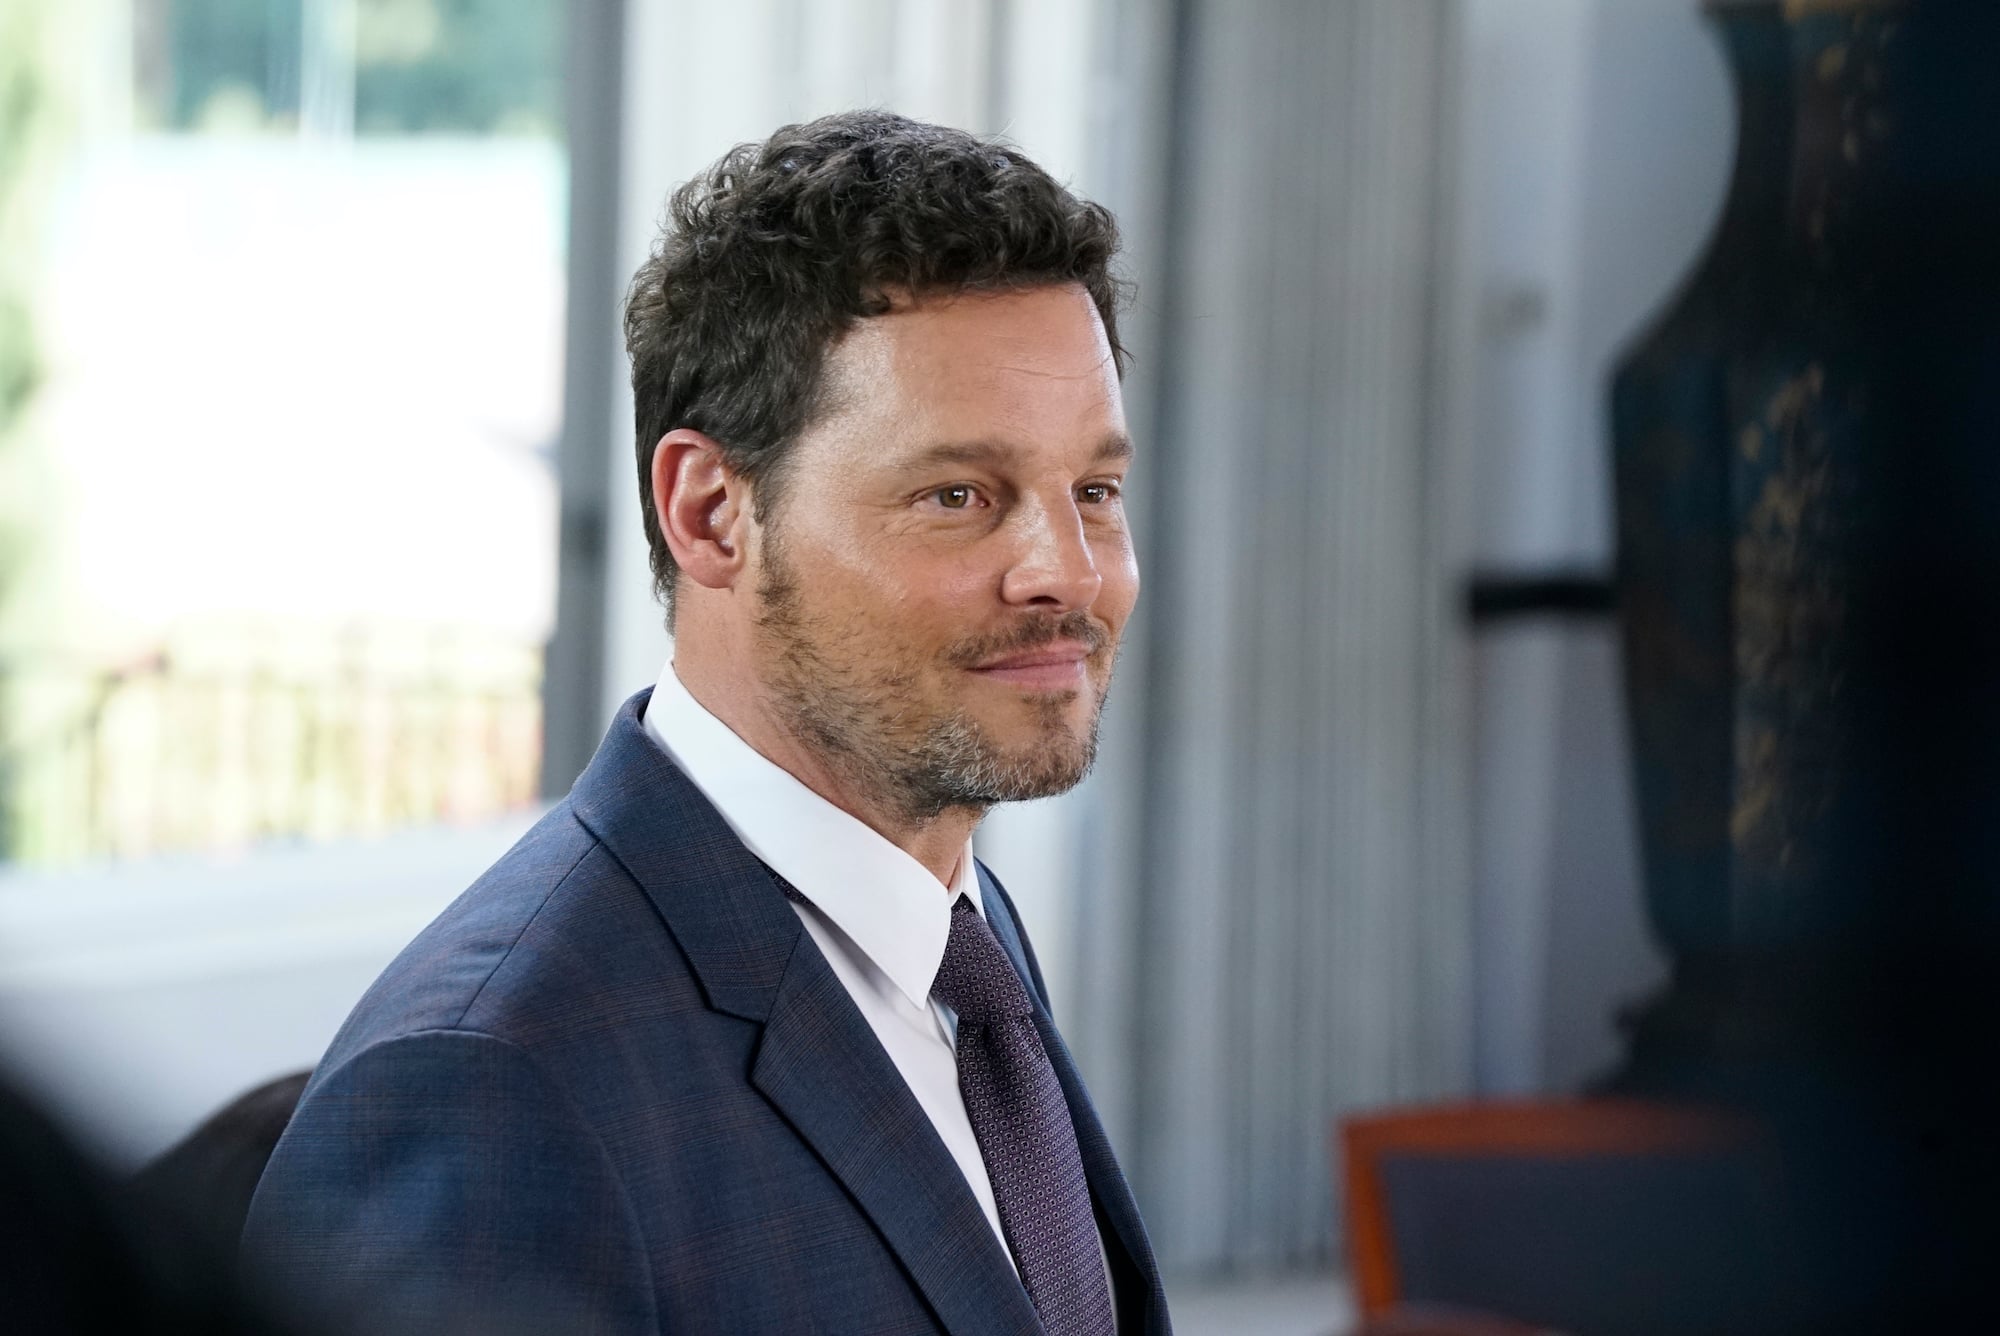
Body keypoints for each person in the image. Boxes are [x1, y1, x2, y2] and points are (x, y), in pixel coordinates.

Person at [242, 110, 1168, 1336]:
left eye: (1093, 490)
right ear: (710, 513)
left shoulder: (956, 936)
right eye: (957, 494)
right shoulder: (487, 1082)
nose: (1067, 570)